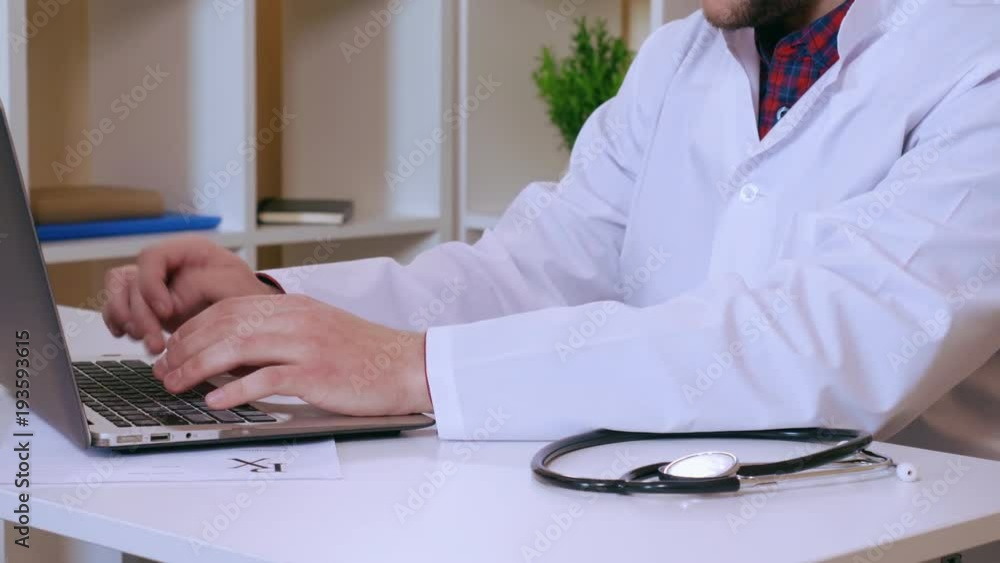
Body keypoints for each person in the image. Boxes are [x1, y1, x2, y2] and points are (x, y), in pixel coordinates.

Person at [102, 0, 1000, 461]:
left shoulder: (976, 59)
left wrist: (416, 367)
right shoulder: (678, 57)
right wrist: (273, 306)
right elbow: (535, 267)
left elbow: (826, 342)